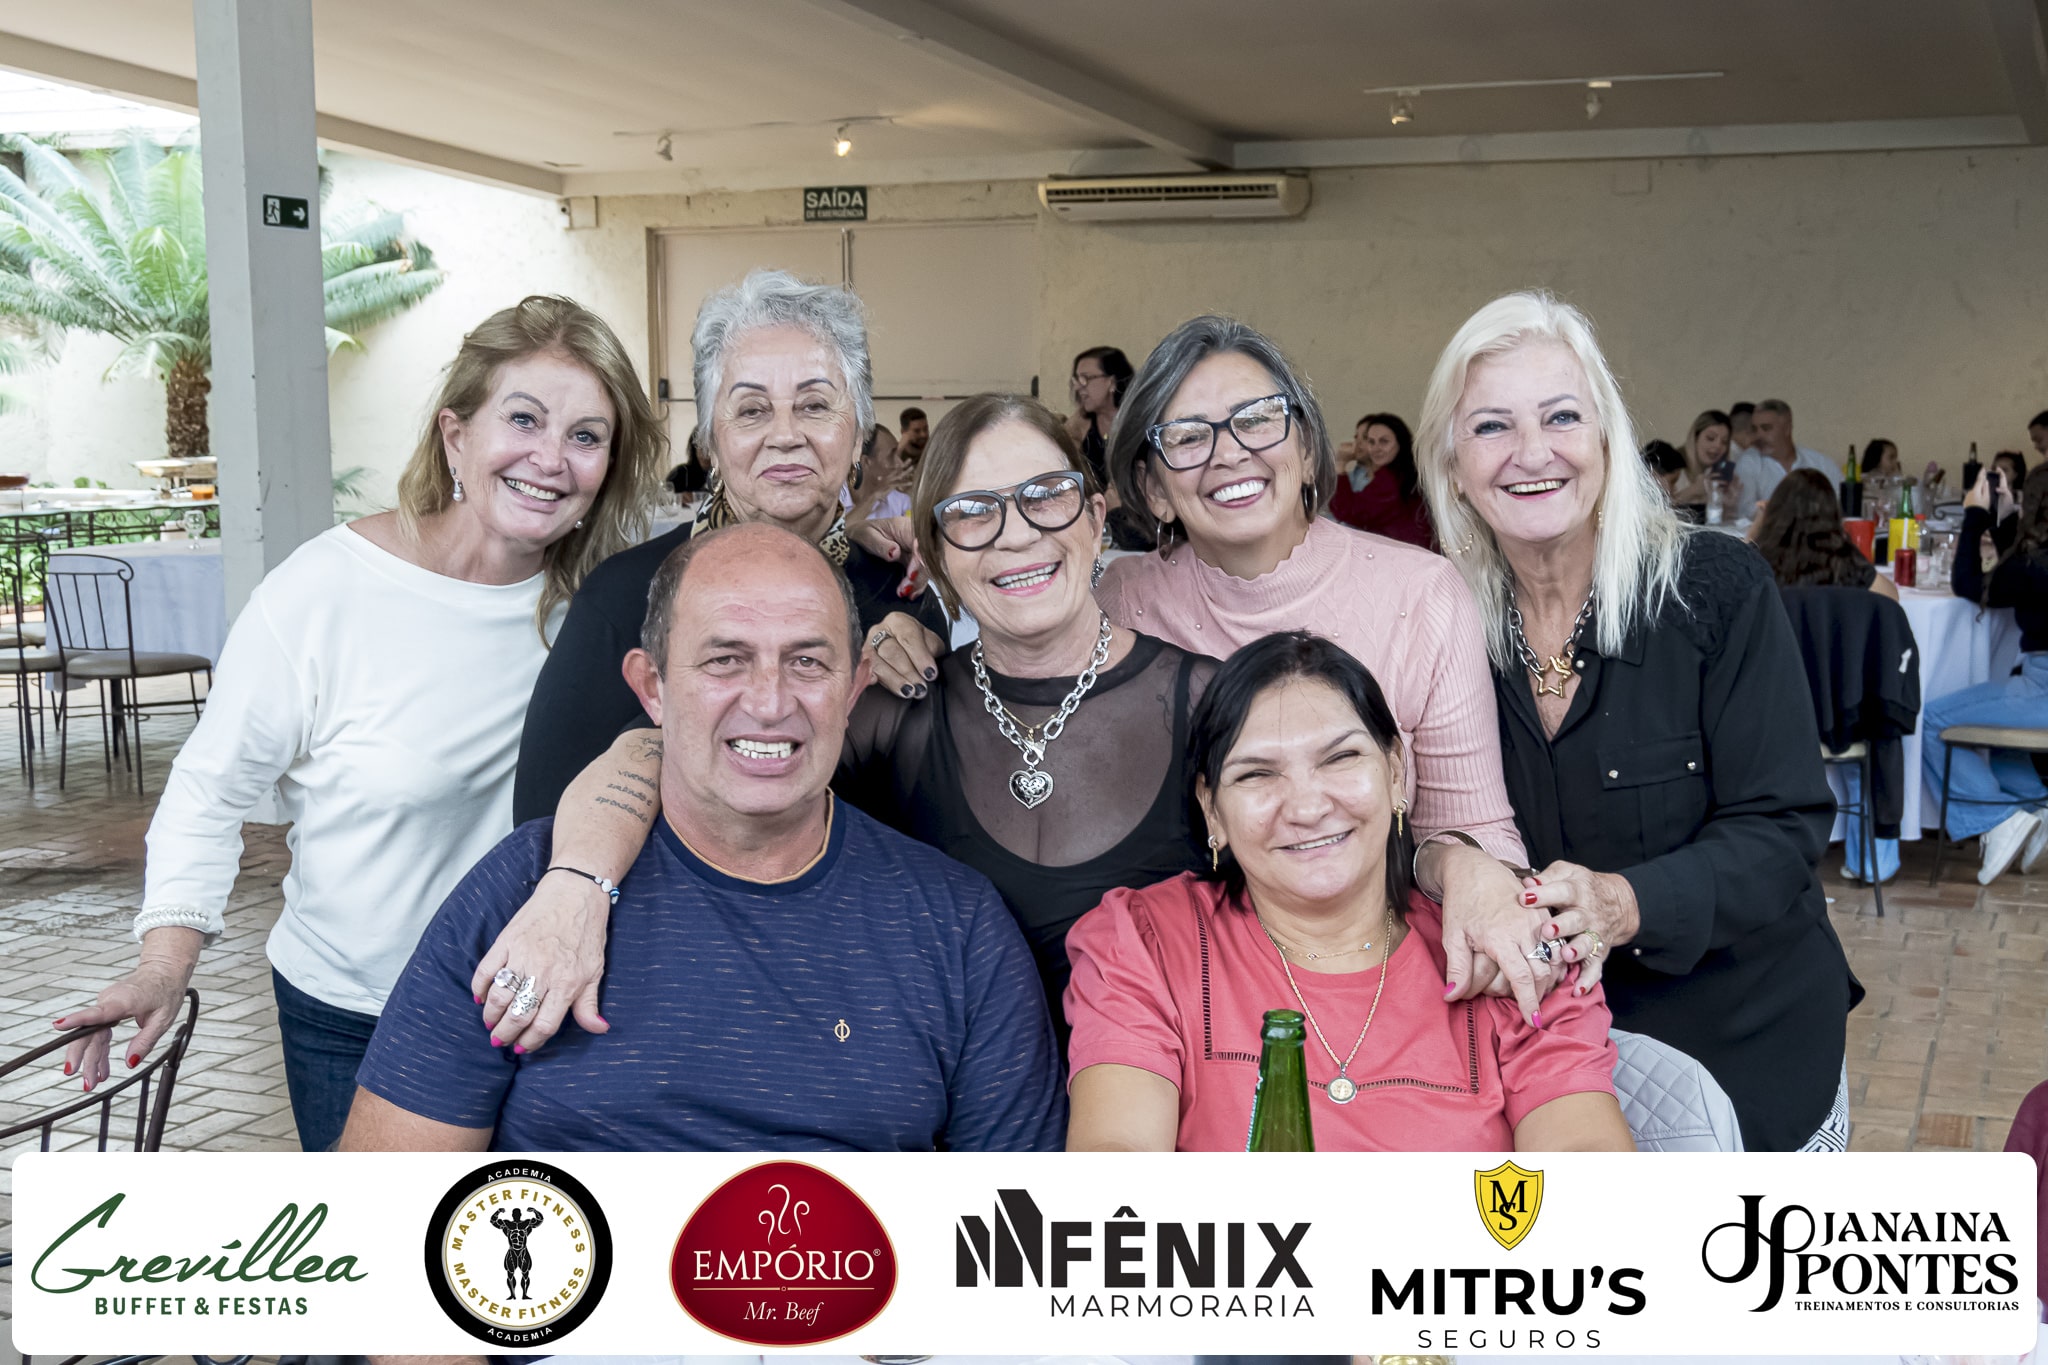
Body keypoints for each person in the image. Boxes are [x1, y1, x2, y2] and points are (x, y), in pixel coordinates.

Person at [54, 296, 666, 1153]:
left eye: (586, 436)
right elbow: (208, 790)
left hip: (540, 1004)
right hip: (357, 1010)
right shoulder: (327, 591)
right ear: (455, 435)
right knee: (383, 1238)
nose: (550, 459)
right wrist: (163, 965)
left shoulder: (611, 608)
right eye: (523, 419)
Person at [505, 395, 1215, 1051]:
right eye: (973, 510)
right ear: (934, 554)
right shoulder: (899, 706)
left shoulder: (1209, 705)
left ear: (1094, 518)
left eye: (1046, 495)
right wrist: (577, 883)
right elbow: (670, 752)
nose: (1017, 533)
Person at [342, 523, 1065, 1152]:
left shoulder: (958, 929)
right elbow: (386, 1206)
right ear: (651, 687)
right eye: (725, 659)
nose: (769, 701)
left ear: (853, 688)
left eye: (808, 661)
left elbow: (1010, 1232)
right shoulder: (526, 896)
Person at [1416, 290, 1861, 1152]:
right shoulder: (1442, 620)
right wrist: (1451, 861)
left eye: (1561, 416)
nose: (1533, 452)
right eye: (1492, 426)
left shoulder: (1713, 590)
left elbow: (1782, 829)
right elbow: (1413, 821)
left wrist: (1622, 903)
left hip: (1744, 1040)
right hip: (1541, 1060)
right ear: (1453, 463)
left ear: (1608, 441)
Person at [1090, 314, 1555, 1022]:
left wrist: (1469, 866)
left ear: (1307, 450)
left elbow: (1471, 823)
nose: (1229, 452)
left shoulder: (1420, 593)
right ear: (1153, 488)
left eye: (1258, 419)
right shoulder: (1120, 603)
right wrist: (920, 628)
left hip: (1376, 978)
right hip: (1184, 990)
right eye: (1186, 436)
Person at [1064, 632, 1632, 1152]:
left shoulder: (1513, 943)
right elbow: (1115, 1177)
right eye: (1256, 774)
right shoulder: (1144, 945)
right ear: (1212, 809)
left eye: (1340, 758)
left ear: (1395, 773)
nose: (1308, 807)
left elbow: (1588, 1181)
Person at [512, 270, 948, 826]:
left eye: (815, 405)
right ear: (710, 444)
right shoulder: (623, 595)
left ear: (860, 432)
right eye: (751, 410)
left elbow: (936, 822)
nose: (785, 434)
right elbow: (542, 823)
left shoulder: (900, 594)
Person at [1752, 468, 1904, 885]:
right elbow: (1890, 608)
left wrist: (1758, 526)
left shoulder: (1757, 568)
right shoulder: (1854, 571)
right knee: (1866, 746)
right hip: (1846, 713)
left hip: (1775, 718)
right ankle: (1872, 861)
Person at [1925, 464, 2048, 885]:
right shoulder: (2033, 564)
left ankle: (1995, 820)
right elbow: (2020, 578)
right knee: (1998, 732)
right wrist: (2009, 519)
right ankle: (2036, 810)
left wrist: (1976, 514)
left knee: (1934, 720)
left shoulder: (2035, 564)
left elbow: (1969, 584)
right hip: (2037, 686)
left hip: (2043, 689)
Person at [1751, 468, 1899, 603]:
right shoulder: (1845, 560)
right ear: (1833, 513)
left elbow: (1742, 557)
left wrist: (1760, 521)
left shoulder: (1761, 560)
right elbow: (1891, 597)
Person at [1328, 412, 1435, 549]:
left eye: (1384, 441)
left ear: (1401, 442)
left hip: (1405, 554)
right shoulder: (1404, 472)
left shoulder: (1393, 479)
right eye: (1371, 442)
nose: (1376, 448)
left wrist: (1340, 464)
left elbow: (1347, 511)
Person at [1732, 398, 1840, 519]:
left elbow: (1840, 503)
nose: (1759, 435)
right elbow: (1745, 511)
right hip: (1768, 531)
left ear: (1787, 428)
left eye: (1766, 428)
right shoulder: (1748, 462)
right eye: (1755, 429)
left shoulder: (1820, 463)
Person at [1065, 344, 1134, 491]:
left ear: (1111, 382)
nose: (1078, 387)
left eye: (1086, 378)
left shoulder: (1136, 421)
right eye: (1077, 379)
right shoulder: (1080, 423)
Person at [1670, 408, 1731, 510]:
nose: (1717, 446)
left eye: (1724, 442)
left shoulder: (1719, 474)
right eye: (1711, 438)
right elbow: (1655, 510)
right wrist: (1694, 490)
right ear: (1695, 437)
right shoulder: (1672, 465)